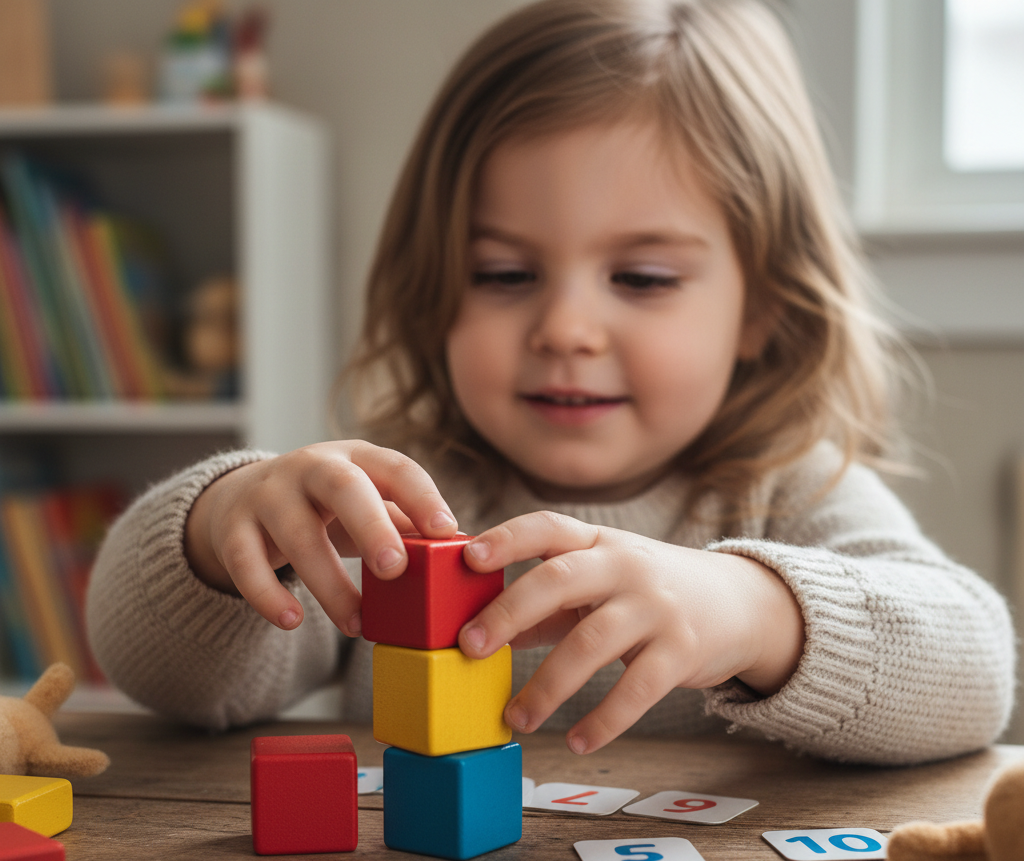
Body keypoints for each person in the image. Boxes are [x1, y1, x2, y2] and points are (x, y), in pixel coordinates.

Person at [86, 0, 1015, 766]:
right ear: (436, 289)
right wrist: (217, 531)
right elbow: (168, 681)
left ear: (763, 306)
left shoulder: (788, 485)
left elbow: (975, 673)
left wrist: (754, 610)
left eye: (643, 280)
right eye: (503, 274)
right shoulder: (404, 506)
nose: (565, 330)